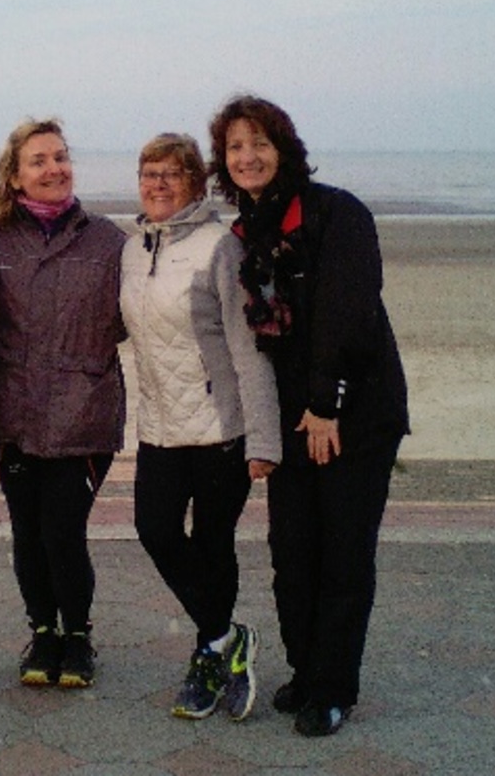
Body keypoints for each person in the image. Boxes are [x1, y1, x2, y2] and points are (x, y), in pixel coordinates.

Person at [209, 94, 410, 737]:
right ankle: (305, 669)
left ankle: (333, 687)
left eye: (259, 143)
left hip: (354, 411)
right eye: (235, 147)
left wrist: (327, 404)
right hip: (291, 417)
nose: (247, 156)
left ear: (285, 149)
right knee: (292, 553)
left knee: (343, 553)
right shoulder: (247, 233)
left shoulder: (336, 212)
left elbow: (347, 313)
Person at [120, 133, 282, 721]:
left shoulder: (221, 247)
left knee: (214, 545)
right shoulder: (133, 248)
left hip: (221, 428)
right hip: (159, 425)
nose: (158, 184)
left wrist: (263, 439)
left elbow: (249, 348)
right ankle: (227, 635)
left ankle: (209, 656)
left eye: (172, 173)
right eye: (149, 173)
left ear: (196, 183)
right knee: (155, 530)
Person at [0, 118, 127, 689]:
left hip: (83, 412)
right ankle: (43, 632)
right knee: (28, 530)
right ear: (15, 175)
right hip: (11, 412)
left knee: (63, 530)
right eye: (38, 160)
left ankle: (78, 636)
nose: (53, 168)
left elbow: (138, 317)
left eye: (61, 157)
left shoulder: (108, 241)